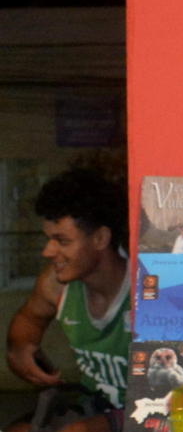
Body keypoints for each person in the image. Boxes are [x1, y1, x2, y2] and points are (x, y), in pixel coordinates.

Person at [6, 169, 130, 410]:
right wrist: (20, 348)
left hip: (146, 420)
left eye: (62, 241)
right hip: (92, 409)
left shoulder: (146, 289)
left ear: (100, 238)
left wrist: (107, 425)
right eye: (48, 239)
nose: (48, 252)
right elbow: (29, 319)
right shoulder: (54, 283)